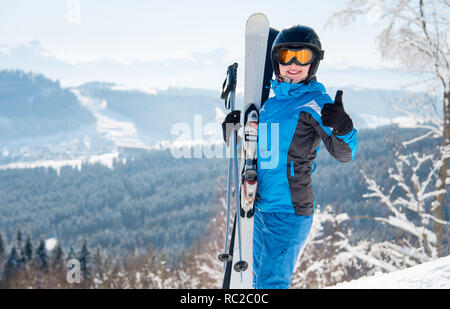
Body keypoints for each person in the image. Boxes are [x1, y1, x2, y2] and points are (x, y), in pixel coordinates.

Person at [251, 25, 358, 289]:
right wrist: (235, 127)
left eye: (304, 57)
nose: (295, 64)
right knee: (259, 283)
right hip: (261, 208)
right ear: (277, 61)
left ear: (314, 63)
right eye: (287, 56)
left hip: (289, 211)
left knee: (271, 284)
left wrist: (342, 125)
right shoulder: (270, 103)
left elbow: (344, 153)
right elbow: (259, 147)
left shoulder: (316, 102)